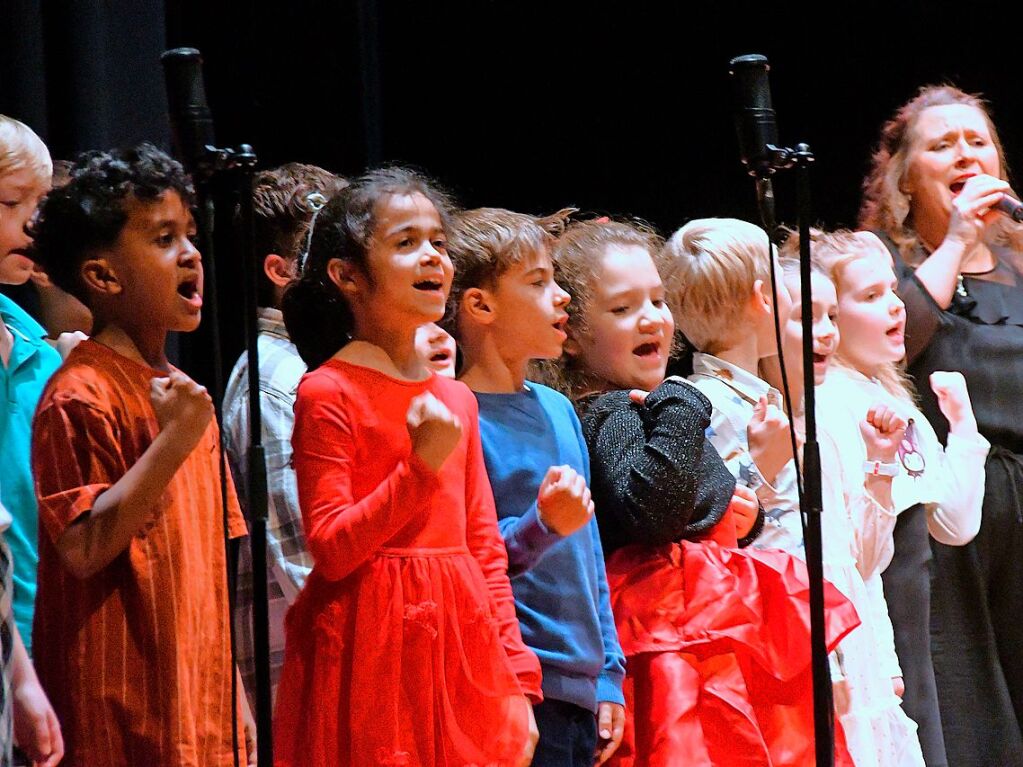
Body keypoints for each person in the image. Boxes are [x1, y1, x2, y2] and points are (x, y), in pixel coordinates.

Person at [547, 217, 858, 766]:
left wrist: (744, 516)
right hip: (670, 633)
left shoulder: (647, 407)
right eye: (623, 309)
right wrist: (684, 403)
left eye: (659, 301)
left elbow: (699, 500)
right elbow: (650, 509)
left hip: (705, 617)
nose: (652, 319)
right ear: (570, 335)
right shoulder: (613, 410)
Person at [274, 168, 541, 767]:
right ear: (347, 276)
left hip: (458, 646)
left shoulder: (456, 399)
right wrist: (419, 468)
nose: (433, 258)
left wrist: (517, 677)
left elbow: (482, 548)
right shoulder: (328, 391)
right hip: (369, 648)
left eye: (439, 243)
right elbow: (333, 548)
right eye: (405, 243)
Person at [29, 143, 254, 766]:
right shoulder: (80, 393)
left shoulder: (187, 400)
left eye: (189, 234)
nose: (191, 253)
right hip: (119, 702)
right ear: (103, 275)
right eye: (163, 238)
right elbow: (83, 547)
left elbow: (211, 563)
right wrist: (172, 442)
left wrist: (233, 696)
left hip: (198, 697)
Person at [447, 206, 626, 765]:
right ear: (480, 305)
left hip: (580, 687)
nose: (562, 297)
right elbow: (465, 559)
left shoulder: (556, 407)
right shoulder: (457, 416)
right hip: (515, 684)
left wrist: (609, 673)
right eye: (538, 282)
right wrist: (541, 525)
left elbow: (589, 552)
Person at [813, 226, 989, 767]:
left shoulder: (893, 399)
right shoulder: (829, 404)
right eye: (869, 297)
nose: (894, 308)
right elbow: (850, 551)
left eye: (892, 290)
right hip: (872, 626)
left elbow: (955, 525)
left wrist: (961, 426)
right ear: (827, 319)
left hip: (911, 629)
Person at [774, 250, 925, 766]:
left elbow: (863, 564)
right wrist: (833, 666)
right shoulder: (779, 422)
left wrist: (883, 658)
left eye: (831, 317)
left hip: (857, 645)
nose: (825, 333)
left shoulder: (827, 417)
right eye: (806, 318)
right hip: (818, 655)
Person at [221, 162, 347, 708]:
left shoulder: (321, 367)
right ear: (281, 270)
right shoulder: (278, 380)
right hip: (315, 677)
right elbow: (303, 552)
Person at [665, 217, 803, 554]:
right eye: (782, 284)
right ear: (763, 298)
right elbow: (707, 524)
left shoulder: (756, 397)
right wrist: (761, 467)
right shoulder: (704, 405)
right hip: (758, 596)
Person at [0, 113, 63, 767]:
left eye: (40, 206)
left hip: (55, 652)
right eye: (12, 203)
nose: (33, 224)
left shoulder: (39, 351)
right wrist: (16, 673)